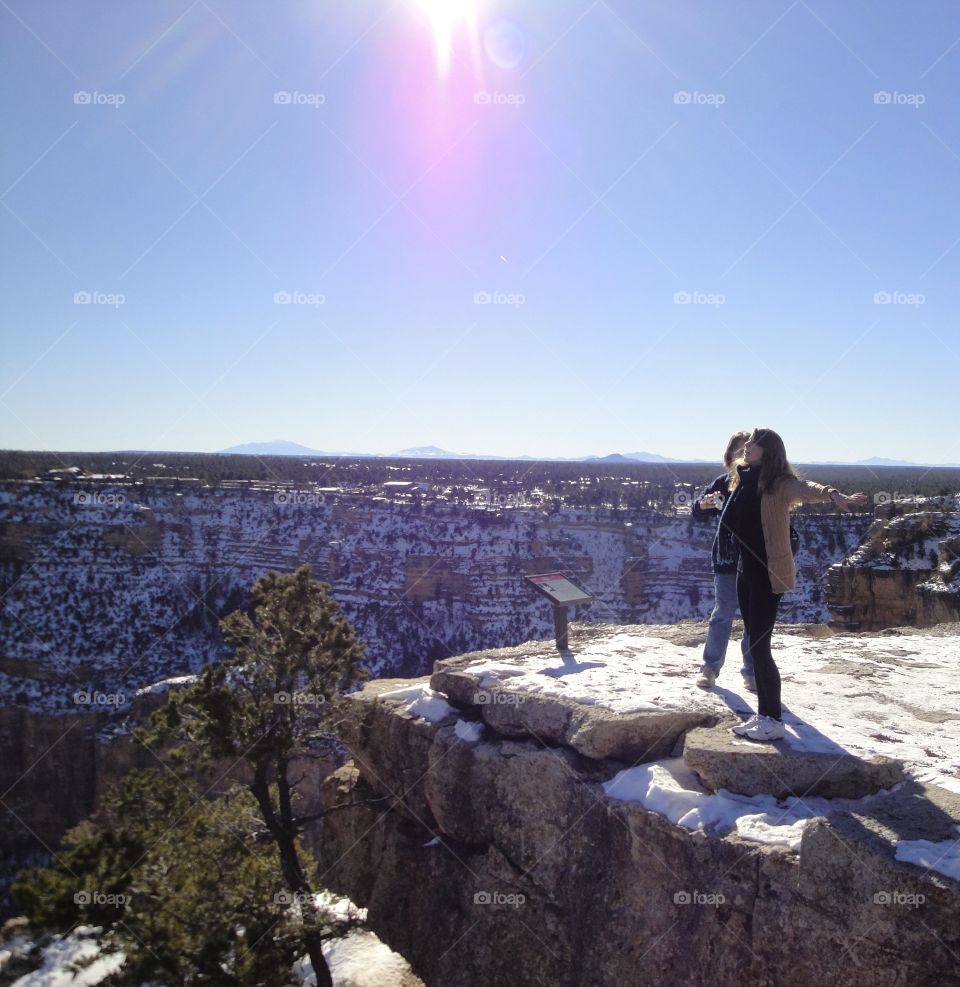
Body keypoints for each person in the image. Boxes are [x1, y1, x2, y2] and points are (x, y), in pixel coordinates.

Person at [722, 428, 867, 742]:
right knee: (753, 645)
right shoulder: (742, 479)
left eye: (753, 443)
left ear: (768, 450)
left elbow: (807, 487)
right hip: (745, 573)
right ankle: (763, 715)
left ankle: (772, 720)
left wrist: (833, 495)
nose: (745, 447)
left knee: (760, 648)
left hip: (768, 574)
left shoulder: (780, 484)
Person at [692, 431, 754, 692]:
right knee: (723, 614)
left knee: (753, 619)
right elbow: (697, 511)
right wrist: (703, 506)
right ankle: (710, 668)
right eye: (737, 451)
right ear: (729, 456)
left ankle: (751, 672)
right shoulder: (723, 482)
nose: (741, 455)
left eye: (746, 451)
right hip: (727, 558)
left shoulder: (759, 483)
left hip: (755, 560)